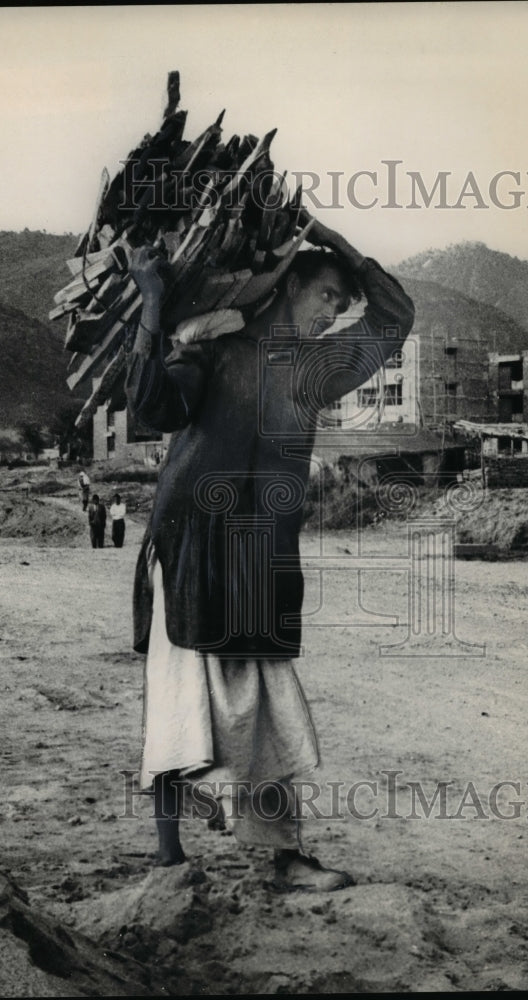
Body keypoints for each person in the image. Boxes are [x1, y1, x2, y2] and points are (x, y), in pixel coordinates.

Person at [126, 215, 414, 890]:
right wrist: (152, 305)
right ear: (289, 288)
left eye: (341, 306)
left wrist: (331, 238)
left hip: (260, 557)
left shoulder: (316, 371)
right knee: (181, 699)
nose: (332, 314)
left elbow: (394, 316)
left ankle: (285, 858)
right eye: (325, 298)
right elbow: (151, 407)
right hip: (190, 542)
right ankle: (169, 859)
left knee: (269, 711)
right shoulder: (216, 344)